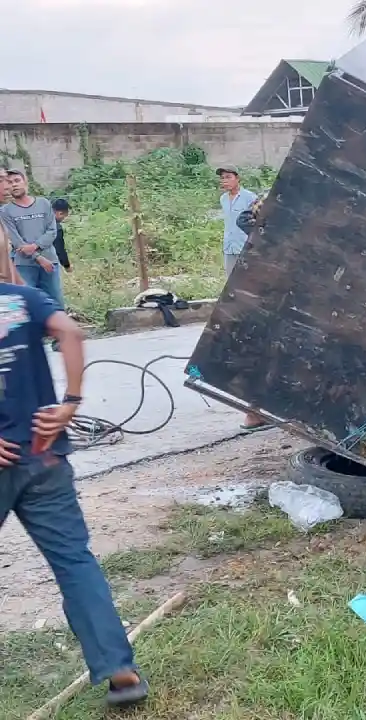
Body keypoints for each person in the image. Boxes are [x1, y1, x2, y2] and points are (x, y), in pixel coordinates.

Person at [0, 279, 149, 707]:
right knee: (74, 562)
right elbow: (71, 331)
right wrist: (70, 402)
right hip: (42, 456)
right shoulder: (25, 299)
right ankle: (120, 670)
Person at [217, 166, 266, 431]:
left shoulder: (251, 197)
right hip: (237, 251)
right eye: (222, 178)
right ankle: (255, 409)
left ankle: (255, 410)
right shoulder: (226, 201)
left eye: (228, 176)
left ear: (238, 178)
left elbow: (246, 219)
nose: (225, 181)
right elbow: (243, 221)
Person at [1, 169, 64, 310]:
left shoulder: (44, 203)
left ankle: (56, 331)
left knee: (55, 301)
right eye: (10, 182)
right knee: (28, 303)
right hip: (24, 265)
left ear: (25, 182)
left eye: (17, 181)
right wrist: (38, 258)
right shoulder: (6, 211)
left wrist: (35, 246)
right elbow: (16, 241)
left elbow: (52, 231)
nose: (14, 185)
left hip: (50, 260)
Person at [52, 198, 73, 272]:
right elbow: (59, 249)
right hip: (48, 262)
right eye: (64, 216)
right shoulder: (56, 228)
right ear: (60, 213)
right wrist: (67, 265)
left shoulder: (39, 220)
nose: (63, 219)